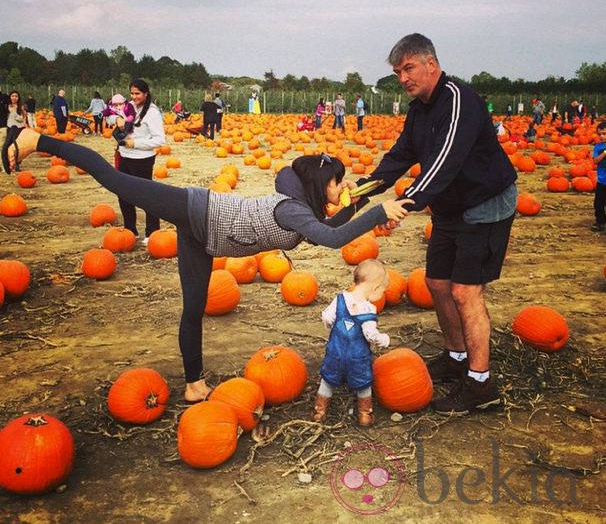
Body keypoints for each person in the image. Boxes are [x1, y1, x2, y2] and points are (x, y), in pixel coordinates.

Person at [4, 131, 409, 404]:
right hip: (195, 208)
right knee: (113, 179)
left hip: (204, 235)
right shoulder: (292, 211)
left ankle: (195, 385)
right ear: (320, 185)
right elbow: (334, 239)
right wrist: (375, 214)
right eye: (337, 183)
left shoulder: (302, 211)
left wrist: (360, 205)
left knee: (194, 306)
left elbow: (328, 229)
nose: (340, 189)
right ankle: (37, 139)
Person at [359, 33, 518, 415]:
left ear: (431, 63)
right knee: (436, 283)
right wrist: (362, 190)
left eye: (408, 68)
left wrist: (402, 204)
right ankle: (456, 356)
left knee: (465, 291)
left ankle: (481, 386)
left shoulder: (459, 100)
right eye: (398, 72)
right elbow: (401, 154)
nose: (403, 77)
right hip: (450, 206)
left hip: (484, 203)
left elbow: (444, 162)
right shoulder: (419, 109)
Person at [312, 259, 390, 427]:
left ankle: (319, 412)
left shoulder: (340, 299)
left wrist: (331, 327)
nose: (382, 295)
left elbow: (327, 316)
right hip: (357, 357)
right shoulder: (368, 309)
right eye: (383, 291)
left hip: (335, 353)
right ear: (375, 288)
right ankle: (364, 415)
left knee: (327, 380)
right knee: (363, 383)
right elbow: (371, 335)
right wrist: (384, 340)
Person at [114, 79, 165, 244]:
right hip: (124, 156)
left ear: (145, 94)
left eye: (137, 94)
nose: (134, 97)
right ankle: (130, 230)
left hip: (142, 159)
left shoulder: (152, 112)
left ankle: (152, 231)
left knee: (146, 196)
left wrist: (136, 143)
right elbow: (113, 117)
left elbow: (159, 140)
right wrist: (117, 122)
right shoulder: (128, 106)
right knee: (123, 194)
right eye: (132, 93)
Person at [1, 91, 29, 172]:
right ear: (10, 97)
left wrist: (14, 111)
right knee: (7, 146)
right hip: (10, 127)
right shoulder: (6, 106)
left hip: (19, 128)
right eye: (12, 96)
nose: (14, 98)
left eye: (16, 96)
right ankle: (7, 164)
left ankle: (17, 163)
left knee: (17, 147)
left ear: (18, 98)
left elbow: (23, 118)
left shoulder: (21, 107)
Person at [590, 121, 606, 232]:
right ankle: (600, 222)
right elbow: (595, 161)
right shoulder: (597, 147)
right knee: (598, 203)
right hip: (601, 181)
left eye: (604, 134)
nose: (602, 136)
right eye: (600, 134)